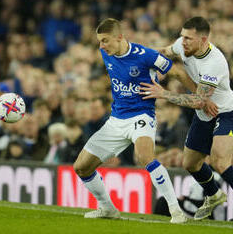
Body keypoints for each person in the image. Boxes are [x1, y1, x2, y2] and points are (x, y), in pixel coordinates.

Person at [139, 16, 233, 226]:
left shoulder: (214, 62)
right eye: (182, 36)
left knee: (221, 163)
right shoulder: (183, 46)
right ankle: (213, 195)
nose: (183, 41)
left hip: (226, 112)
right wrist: (140, 53)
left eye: (189, 38)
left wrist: (163, 94)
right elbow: (165, 51)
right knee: (190, 163)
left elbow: (199, 101)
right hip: (204, 114)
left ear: (203, 39)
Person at [72, 18, 187, 224]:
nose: (101, 46)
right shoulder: (105, 53)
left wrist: (198, 94)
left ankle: (176, 210)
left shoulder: (146, 56)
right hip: (116, 120)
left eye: (105, 40)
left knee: (145, 157)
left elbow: (176, 71)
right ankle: (107, 208)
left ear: (119, 37)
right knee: (81, 167)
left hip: (141, 115)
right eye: (100, 41)